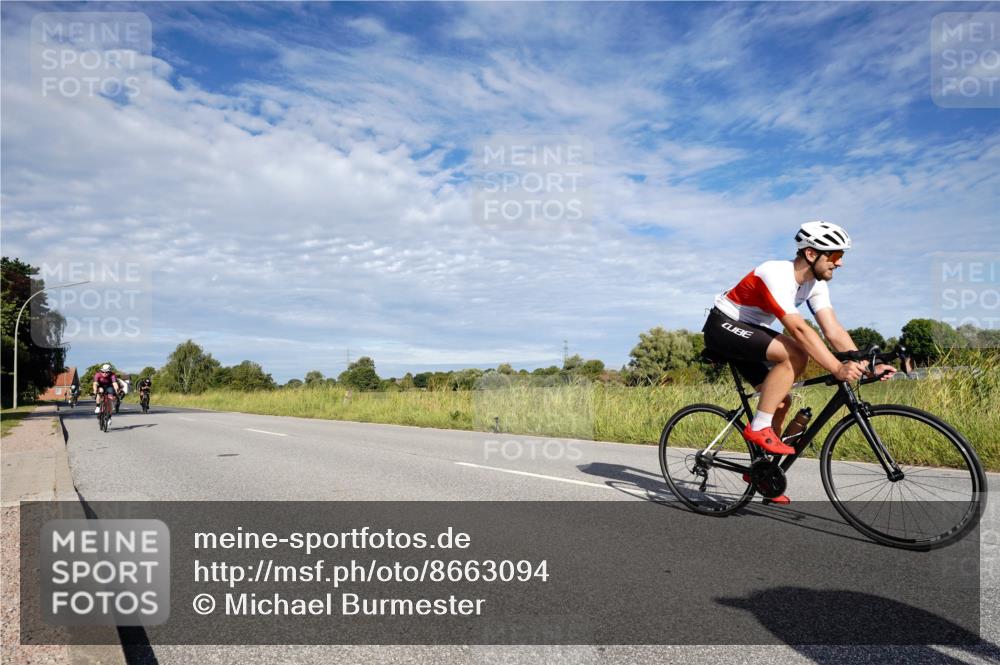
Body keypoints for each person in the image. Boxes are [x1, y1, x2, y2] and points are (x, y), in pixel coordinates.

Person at [701, 221, 895, 503]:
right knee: (795, 352)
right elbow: (800, 330)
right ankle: (758, 427)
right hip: (723, 327)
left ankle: (761, 472)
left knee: (781, 400)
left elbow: (833, 331)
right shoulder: (775, 273)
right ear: (811, 254)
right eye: (836, 256)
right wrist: (837, 368)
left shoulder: (815, 285)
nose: (839, 264)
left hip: (751, 332)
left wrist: (865, 365)